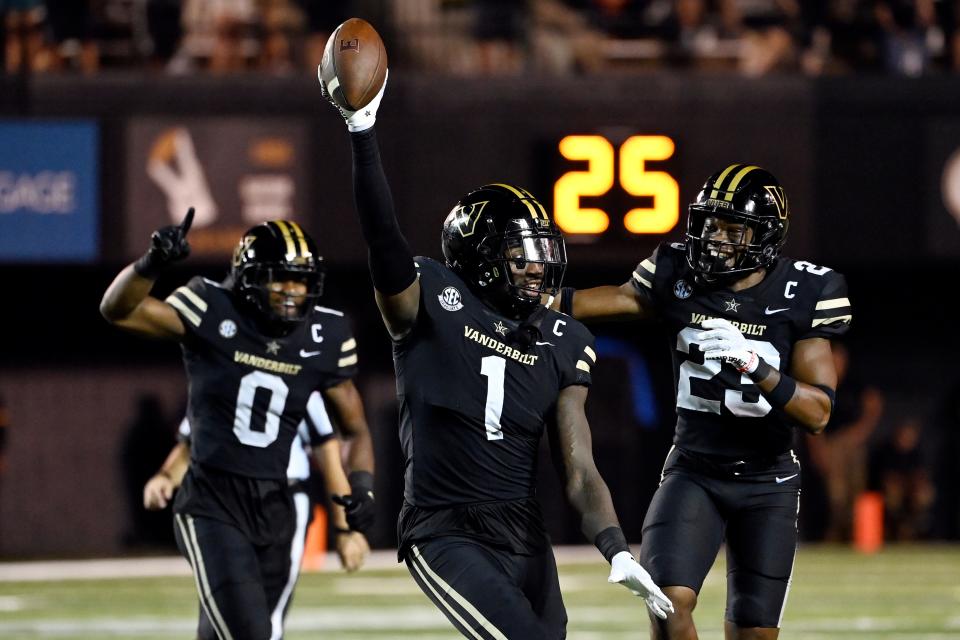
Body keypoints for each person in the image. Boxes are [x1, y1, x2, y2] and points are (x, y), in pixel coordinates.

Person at [318, 64, 673, 638]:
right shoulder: (431, 297)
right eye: (520, 253)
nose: (537, 266)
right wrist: (362, 132)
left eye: (540, 252)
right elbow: (383, 236)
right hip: (444, 529)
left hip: (523, 531)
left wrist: (616, 549)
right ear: (481, 254)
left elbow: (578, 469)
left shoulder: (563, 336)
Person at [555, 165, 852, 639]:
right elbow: (612, 299)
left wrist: (758, 365)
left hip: (768, 480)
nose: (716, 239)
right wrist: (525, 299)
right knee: (666, 604)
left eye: (733, 229)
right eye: (711, 225)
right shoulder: (677, 272)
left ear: (766, 236)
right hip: (694, 471)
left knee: (753, 631)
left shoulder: (806, 291)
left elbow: (818, 413)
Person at [100, 214, 376, 640]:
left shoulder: (325, 335)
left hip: (277, 508)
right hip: (212, 502)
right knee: (250, 634)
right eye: (280, 279)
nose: (293, 291)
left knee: (231, 632)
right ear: (248, 278)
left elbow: (353, 429)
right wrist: (150, 264)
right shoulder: (211, 308)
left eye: (301, 281)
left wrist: (361, 487)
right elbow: (117, 310)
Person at [144, 391, 365, 639]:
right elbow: (190, 442)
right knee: (218, 613)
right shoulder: (217, 373)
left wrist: (346, 528)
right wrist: (165, 476)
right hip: (222, 500)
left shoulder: (301, 379)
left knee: (265, 618)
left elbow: (329, 454)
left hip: (282, 499)